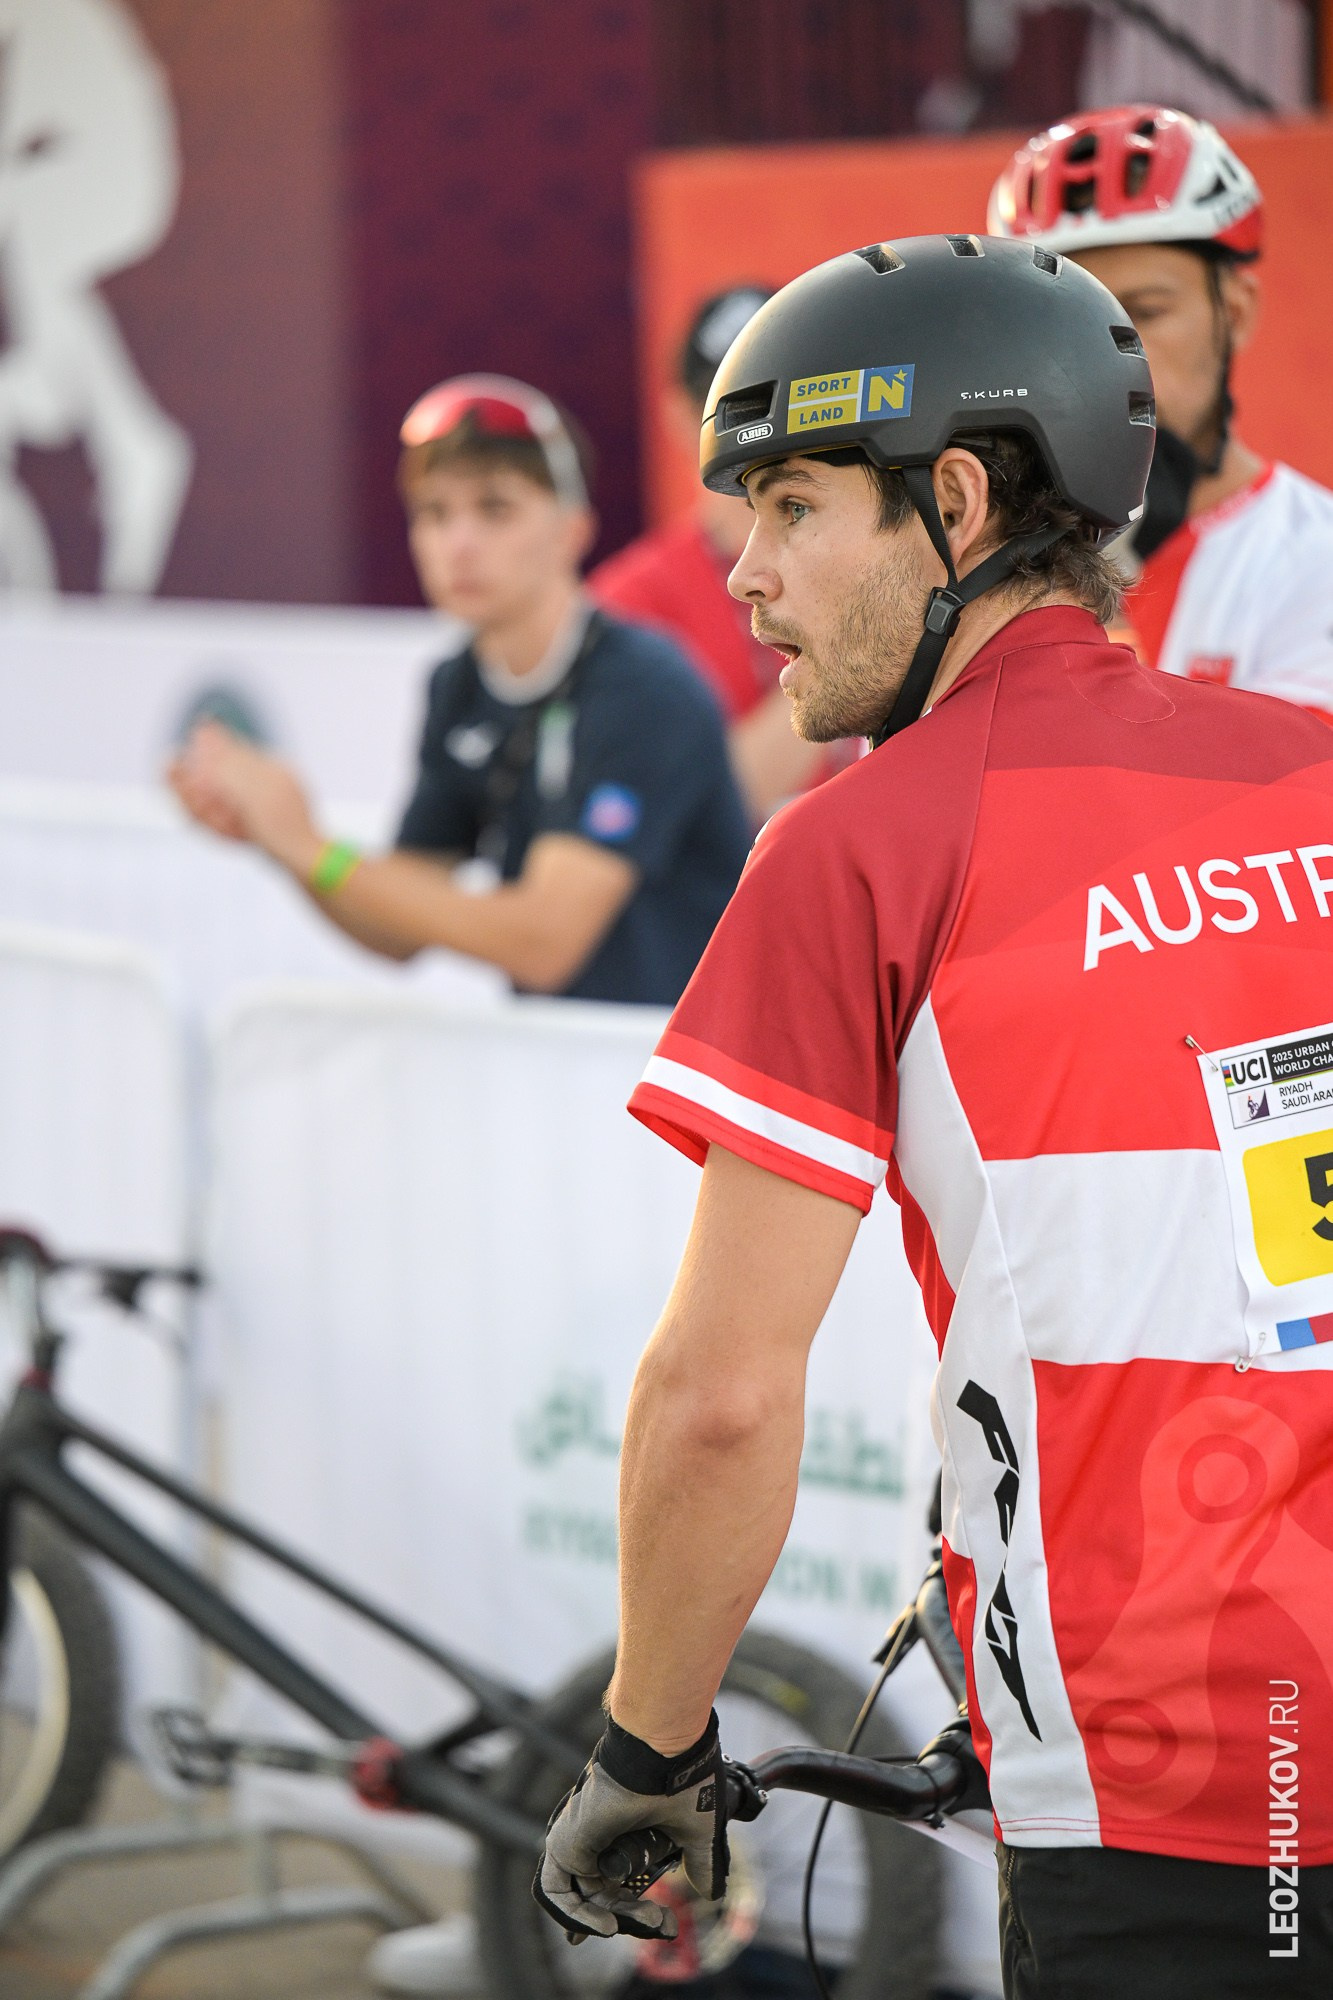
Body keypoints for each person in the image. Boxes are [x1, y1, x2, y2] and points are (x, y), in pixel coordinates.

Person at [534, 236, 1333, 1997]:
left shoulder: (859, 846)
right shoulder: (1311, 765)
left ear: (952, 501)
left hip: (1180, 1773)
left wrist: (648, 1751)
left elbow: (722, 1397)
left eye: (792, 503)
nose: (743, 575)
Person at [169, 374, 748, 1007]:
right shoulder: (460, 683)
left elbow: (544, 942)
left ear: (572, 531)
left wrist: (313, 846)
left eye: (495, 509)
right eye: (434, 512)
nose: (459, 544)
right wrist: (279, 842)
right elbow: (399, 928)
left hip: (686, 1079)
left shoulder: (644, 685)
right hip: (568, 1072)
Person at [988, 103, 1333, 717]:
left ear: (1236, 310)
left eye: (1145, 311)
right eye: (1067, 324)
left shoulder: (1317, 559)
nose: (1108, 357)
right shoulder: (977, 560)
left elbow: (1293, 808)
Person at [591, 287, 844, 822]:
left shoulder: (871, 547)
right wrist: (855, 650)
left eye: (785, 399)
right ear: (680, 415)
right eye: (731, 405)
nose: (762, 430)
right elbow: (701, 805)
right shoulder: (626, 603)